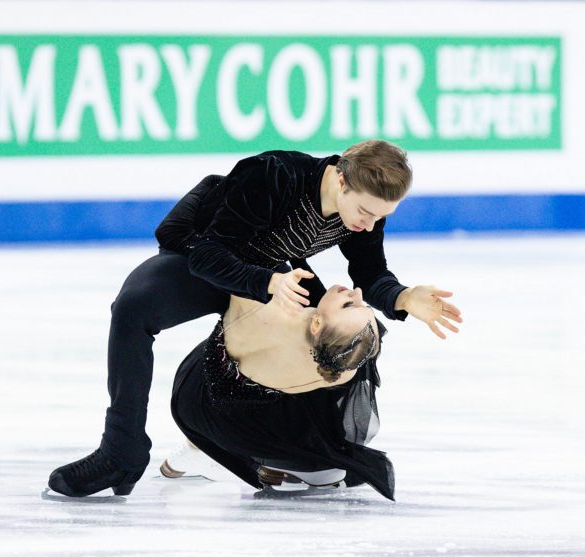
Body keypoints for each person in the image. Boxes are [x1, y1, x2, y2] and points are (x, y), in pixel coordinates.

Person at [48, 140, 463, 498]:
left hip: (275, 273)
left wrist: (404, 297)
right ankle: (121, 451)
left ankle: (297, 455)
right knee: (132, 308)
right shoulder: (273, 175)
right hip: (209, 260)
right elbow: (209, 254)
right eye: (365, 212)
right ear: (340, 179)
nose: (368, 225)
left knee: (348, 335)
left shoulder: (364, 209)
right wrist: (265, 283)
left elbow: (370, 275)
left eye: (380, 217)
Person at [166, 281, 406, 499]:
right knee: (358, 340)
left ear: (316, 323)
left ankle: (279, 457)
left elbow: (231, 270)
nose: (357, 291)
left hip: (199, 405)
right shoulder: (345, 367)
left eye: (348, 304)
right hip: (236, 418)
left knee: (359, 337)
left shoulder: (264, 315)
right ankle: (291, 458)